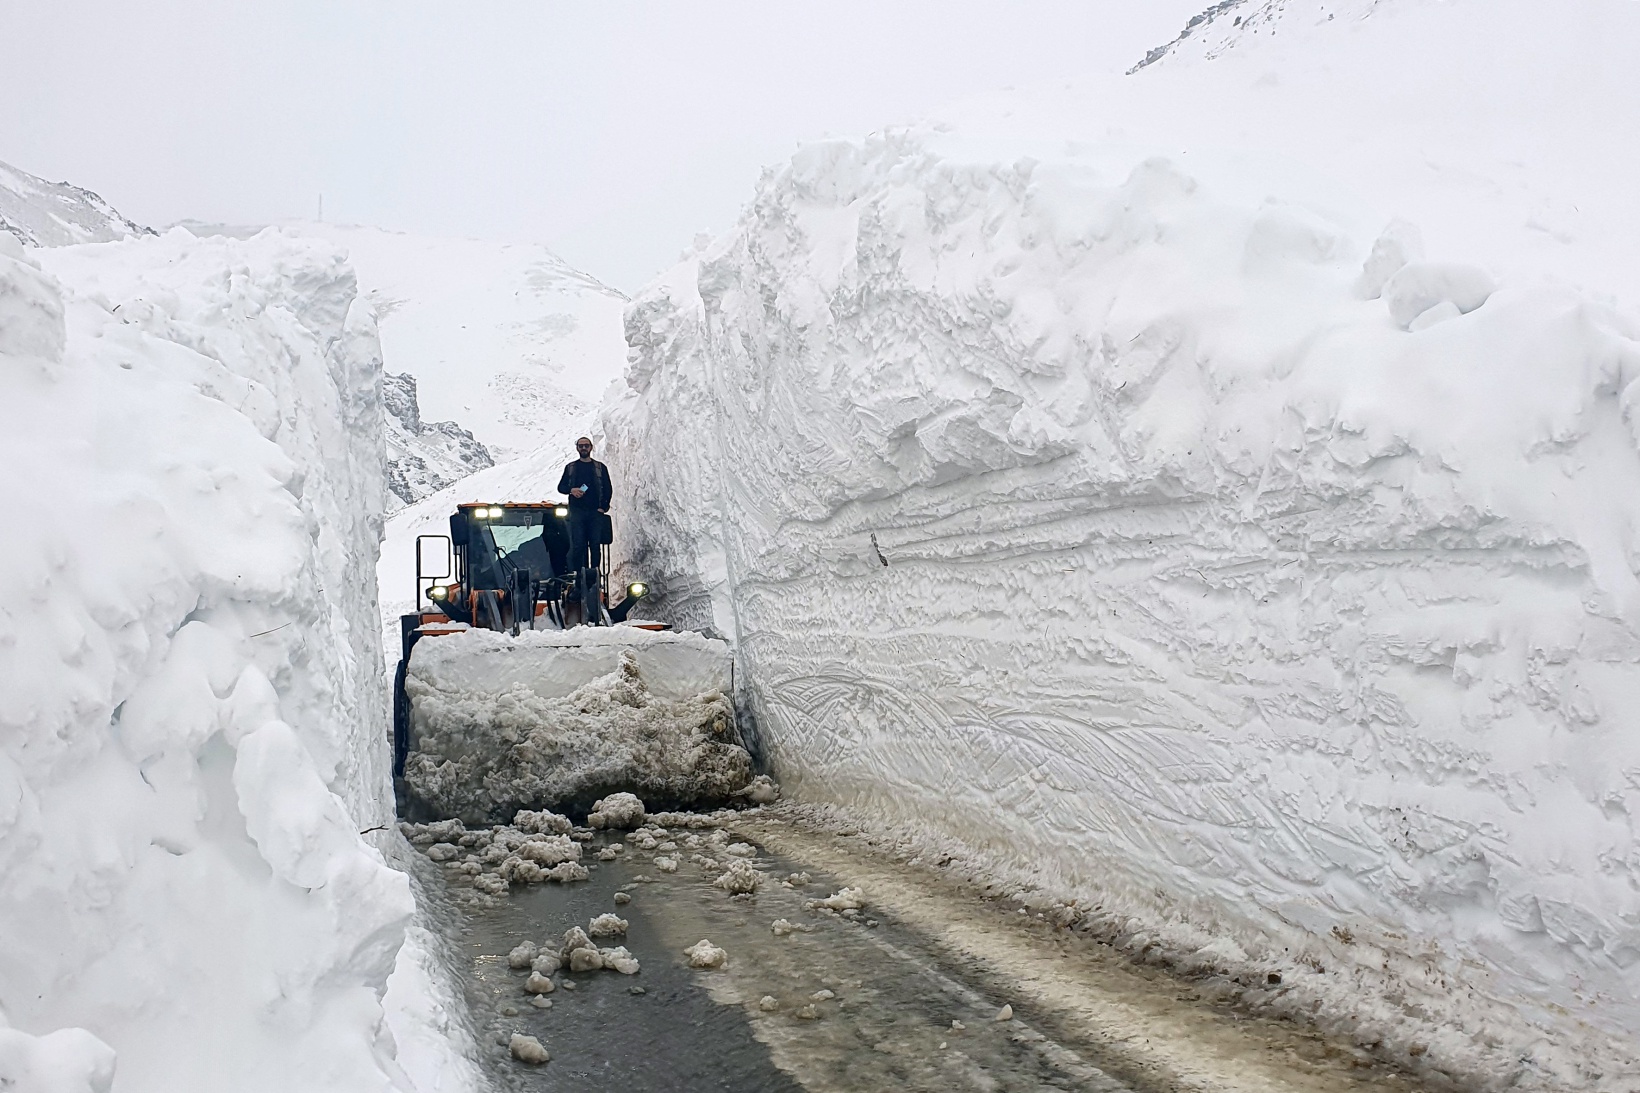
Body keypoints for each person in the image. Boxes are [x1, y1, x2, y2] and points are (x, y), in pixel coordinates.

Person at [556, 436, 611, 573]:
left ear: (591, 447)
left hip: (595, 513)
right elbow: (561, 487)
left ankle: (594, 573)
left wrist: (602, 507)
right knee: (578, 545)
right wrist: (571, 490)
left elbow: (608, 488)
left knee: (595, 545)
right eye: (581, 446)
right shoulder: (570, 468)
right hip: (577, 513)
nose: (584, 448)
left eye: (586, 445)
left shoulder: (600, 468)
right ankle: (578, 575)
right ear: (577, 448)